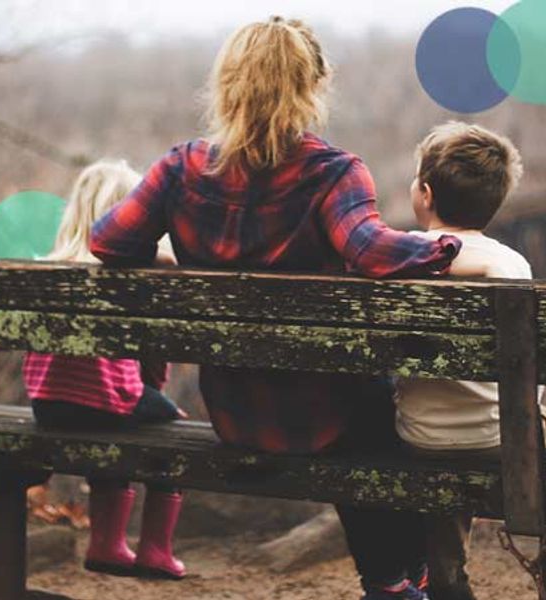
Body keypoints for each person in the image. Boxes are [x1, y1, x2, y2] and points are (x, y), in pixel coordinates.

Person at [89, 17, 462, 600]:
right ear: (313, 85)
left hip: (237, 415)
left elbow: (108, 241)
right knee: (380, 412)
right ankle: (394, 581)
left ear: (228, 84)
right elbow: (368, 247)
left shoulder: (180, 169)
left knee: (364, 407)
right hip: (329, 419)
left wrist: (167, 258)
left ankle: (395, 581)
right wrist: (451, 246)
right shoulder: (332, 173)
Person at [23, 159, 188, 580]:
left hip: (47, 405)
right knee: (173, 432)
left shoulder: (47, 268)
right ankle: (154, 551)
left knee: (115, 418)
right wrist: (155, 393)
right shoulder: (130, 273)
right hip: (105, 402)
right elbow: (152, 357)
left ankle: (107, 544)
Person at [395, 122, 532, 600]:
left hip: (421, 436)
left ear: (425, 193)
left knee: (449, 409)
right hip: (500, 437)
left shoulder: (403, 258)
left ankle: (446, 573)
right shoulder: (511, 265)